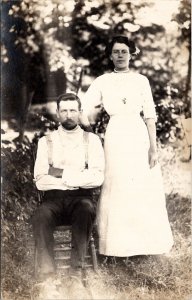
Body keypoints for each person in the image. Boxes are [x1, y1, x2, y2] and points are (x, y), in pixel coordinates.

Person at [82, 35, 173, 257]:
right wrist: (91, 133)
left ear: (131, 54)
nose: (120, 55)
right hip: (115, 135)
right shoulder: (102, 81)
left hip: (138, 134)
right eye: (116, 52)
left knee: (141, 184)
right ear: (110, 56)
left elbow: (150, 115)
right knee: (117, 183)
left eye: (124, 51)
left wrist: (153, 148)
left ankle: (145, 245)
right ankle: (116, 246)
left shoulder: (141, 80)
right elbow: (83, 107)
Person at [32, 93, 105, 281]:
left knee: (86, 210)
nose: (69, 115)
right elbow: (40, 180)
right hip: (53, 199)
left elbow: (97, 177)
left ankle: (75, 273)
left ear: (80, 112)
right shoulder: (45, 141)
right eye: (64, 110)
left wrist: (60, 173)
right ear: (57, 113)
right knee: (41, 215)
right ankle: (48, 276)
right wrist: (78, 176)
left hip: (81, 198)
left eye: (73, 110)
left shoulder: (92, 141)